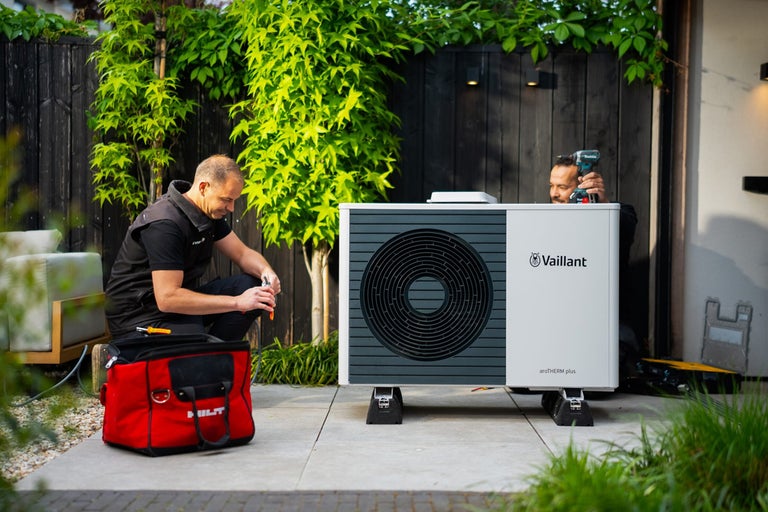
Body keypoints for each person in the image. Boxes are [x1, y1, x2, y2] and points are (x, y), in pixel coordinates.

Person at [105, 154, 281, 341]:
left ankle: (215, 356)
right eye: (227, 200)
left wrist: (266, 271)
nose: (231, 208)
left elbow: (242, 254)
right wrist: (238, 302)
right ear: (204, 188)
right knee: (194, 336)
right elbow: (167, 298)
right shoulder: (165, 223)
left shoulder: (208, 213)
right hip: (139, 316)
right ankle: (207, 359)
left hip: (174, 306)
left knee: (254, 289)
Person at [548, 153, 642, 381]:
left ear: (583, 184)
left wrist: (603, 205)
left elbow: (626, 225)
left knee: (602, 374)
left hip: (607, 324)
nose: (554, 193)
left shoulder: (616, 213)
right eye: (551, 185)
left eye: (562, 186)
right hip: (559, 322)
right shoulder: (543, 219)